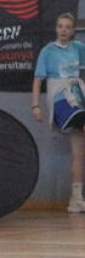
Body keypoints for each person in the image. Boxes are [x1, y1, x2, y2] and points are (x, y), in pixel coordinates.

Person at [32, 13, 85, 212]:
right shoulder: (48, 51)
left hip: (77, 100)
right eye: (60, 26)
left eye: (68, 27)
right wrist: (35, 105)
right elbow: (38, 79)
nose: (63, 30)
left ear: (72, 31)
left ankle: (76, 199)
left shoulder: (78, 48)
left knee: (79, 154)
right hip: (60, 99)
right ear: (56, 28)